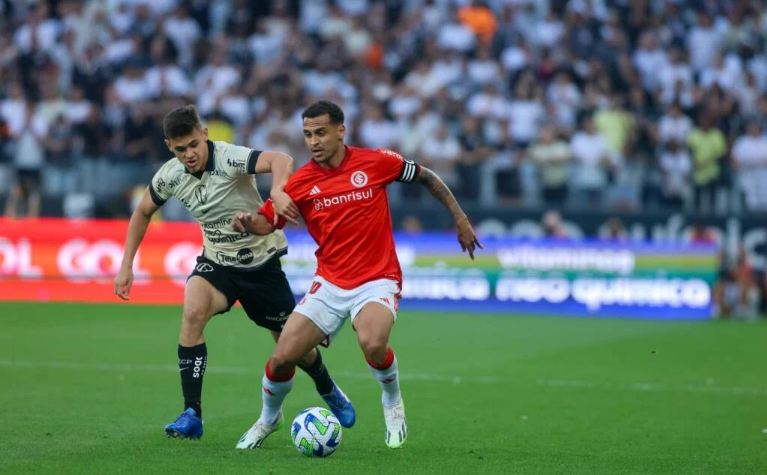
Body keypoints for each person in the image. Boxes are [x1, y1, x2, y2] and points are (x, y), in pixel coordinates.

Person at [231, 100, 481, 449]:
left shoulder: (376, 161)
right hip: (330, 283)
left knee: (373, 342)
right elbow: (266, 222)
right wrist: (248, 224)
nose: (314, 141)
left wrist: (460, 217)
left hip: (378, 277)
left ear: (340, 131)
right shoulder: (300, 183)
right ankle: (269, 418)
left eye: (320, 133)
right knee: (283, 356)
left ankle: (392, 401)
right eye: (307, 135)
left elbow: (426, 176)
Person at [112, 105, 355, 441]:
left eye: (194, 145)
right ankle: (191, 413)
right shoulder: (170, 174)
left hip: (261, 264)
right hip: (218, 264)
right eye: (181, 149)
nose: (190, 154)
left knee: (291, 349)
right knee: (193, 312)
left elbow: (281, 159)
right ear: (170, 146)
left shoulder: (229, 157)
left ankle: (327, 386)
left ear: (204, 135)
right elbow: (142, 212)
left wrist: (278, 190)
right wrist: (126, 265)